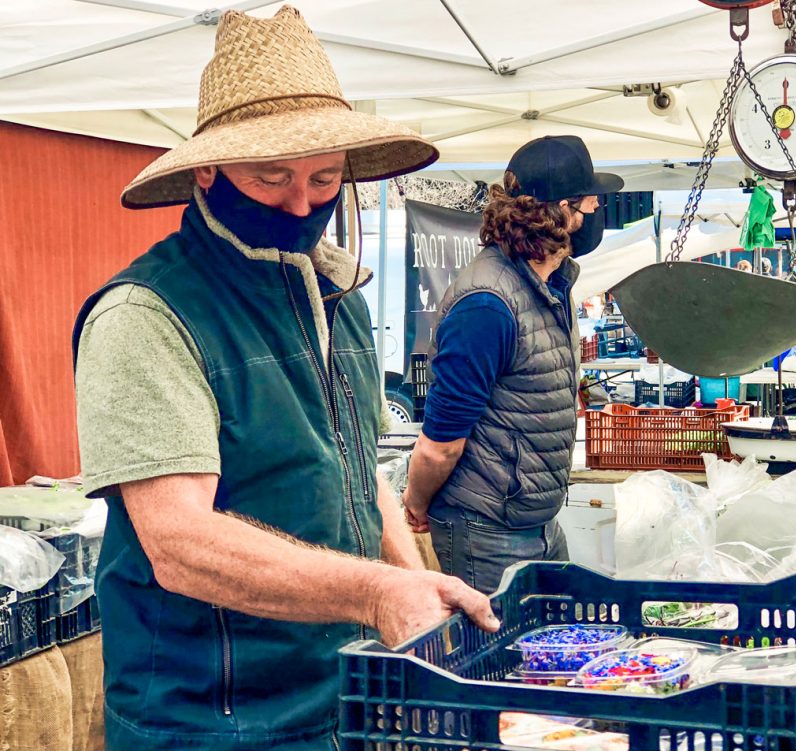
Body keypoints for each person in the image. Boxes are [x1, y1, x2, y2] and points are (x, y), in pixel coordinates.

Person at [72, 8, 497, 751]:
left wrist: (417, 592)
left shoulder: (343, 301)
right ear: (206, 170)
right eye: (271, 177)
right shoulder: (145, 313)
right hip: (206, 720)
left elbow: (359, 476)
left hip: (341, 697)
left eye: (324, 177)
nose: (302, 204)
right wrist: (375, 591)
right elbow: (179, 541)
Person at [401, 135, 623, 594]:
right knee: (496, 665)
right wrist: (415, 503)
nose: (596, 212)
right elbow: (440, 444)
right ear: (564, 210)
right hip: (486, 534)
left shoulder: (549, 284)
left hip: (538, 524)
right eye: (591, 203)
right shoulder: (487, 304)